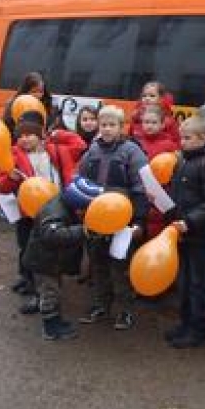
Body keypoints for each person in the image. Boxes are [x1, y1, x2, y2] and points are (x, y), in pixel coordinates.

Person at [0, 110, 83, 312]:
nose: (24, 139)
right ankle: (36, 292)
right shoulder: (13, 155)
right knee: (32, 253)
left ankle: (50, 293)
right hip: (28, 214)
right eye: (21, 135)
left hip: (56, 209)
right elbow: (1, 186)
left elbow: (79, 144)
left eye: (30, 135)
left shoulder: (57, 150)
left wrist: (56, 133)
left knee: (54, 253)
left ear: (40, 135)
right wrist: (11, 179)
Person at [76, 105, 149, 331]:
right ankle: (101, 305)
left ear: (121, 127)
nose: (107, 129)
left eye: (112, 125)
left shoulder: (132, 152)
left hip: (123, 220)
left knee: (120, 265)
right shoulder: (92, 151)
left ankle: (125, 310)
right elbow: (81, 182)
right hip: (96, 218)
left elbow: (141, 188)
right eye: (103, 125)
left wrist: (138, 221)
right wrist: (80, 209)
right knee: (98, 263)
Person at [162, 116, 205, 348]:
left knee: (199, 282)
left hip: (199, 234)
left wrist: (190, 221)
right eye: (181, 138)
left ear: (202, 138)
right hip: (181, 232)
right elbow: (176, 193)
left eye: (187, 138)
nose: (182, 142)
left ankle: (199, 328)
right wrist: (165, 205)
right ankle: (185, 323)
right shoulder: (181, 161)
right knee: (184, 280)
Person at [21, 177, 102, 341]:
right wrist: (83, 231)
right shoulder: (54, 212)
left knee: (50, 289)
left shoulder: (64, 206)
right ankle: (51, 327)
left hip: (50, 259)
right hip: (43, 260)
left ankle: (48, 312)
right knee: (50, 292)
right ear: (78, 205)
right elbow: (52, 235)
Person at [132, 103, 182, 240]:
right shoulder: (134, 144)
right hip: (138, 193)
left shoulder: (170, 146)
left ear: (162, 124)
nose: (149, 126)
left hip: (161, 196)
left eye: (154, 122)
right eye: (146, 122)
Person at [129, 81, 181, 149]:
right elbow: (130, 137)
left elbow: (177, 143)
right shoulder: (136, 117)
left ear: (161, 99)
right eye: (144, 96)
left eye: (152, 96)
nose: (147, 98)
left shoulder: (169, 121)